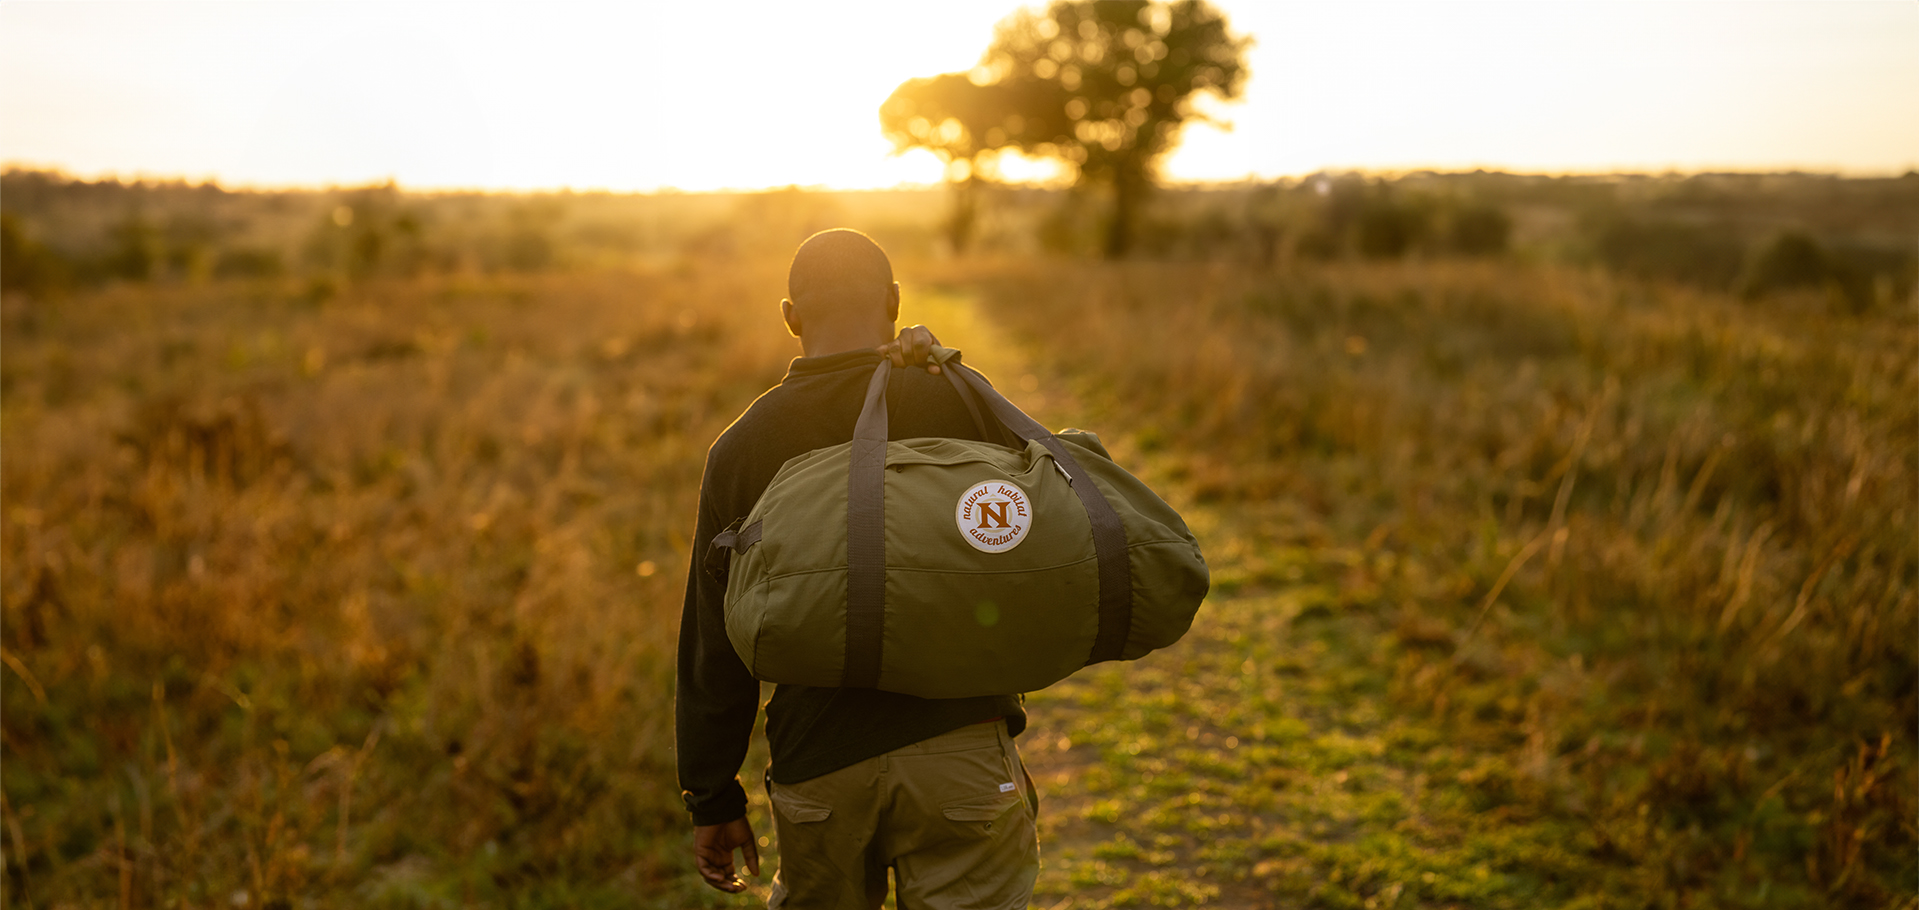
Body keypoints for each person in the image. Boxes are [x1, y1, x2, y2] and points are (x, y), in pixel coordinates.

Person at [676, 229, 1040, 908]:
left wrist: (712, 792)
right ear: (896, 303)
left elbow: (713, 639)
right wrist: (949, 369)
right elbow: (1037, 525)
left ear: (790, 317)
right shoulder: (954, 398)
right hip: (962, 750)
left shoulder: (742, 446)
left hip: (821, 764)